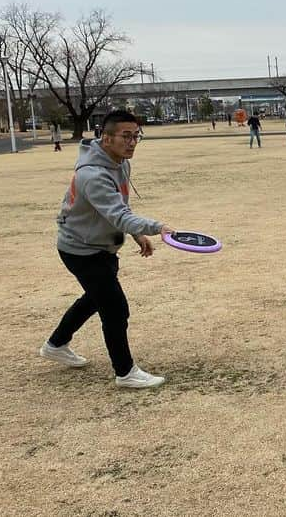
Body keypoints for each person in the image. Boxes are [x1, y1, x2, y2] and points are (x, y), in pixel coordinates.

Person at [40, 110, 175, 389]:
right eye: (126, 136)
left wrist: (137, 235)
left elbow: (119, 209)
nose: (132, 142)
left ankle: (56, 344)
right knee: (115, 309)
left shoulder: (119, 163)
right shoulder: (93, 175)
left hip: (100, 245)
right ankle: (125, 372)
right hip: (81, 249)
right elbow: (118, 215)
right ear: (106, 137)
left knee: (94, 298)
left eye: (136, 136)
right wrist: (157, 227)